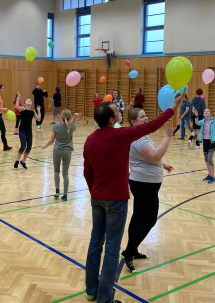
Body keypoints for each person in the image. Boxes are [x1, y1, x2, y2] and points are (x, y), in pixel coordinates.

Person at [83, 94, 183, 303]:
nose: (120, 111)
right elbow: (153, 125)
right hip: (116, 201)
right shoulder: (121, 135)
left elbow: (87, 172)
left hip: (97, 199)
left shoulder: (91, 139)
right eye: (117, 111)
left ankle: (91, 290)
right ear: (111, 120)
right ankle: (105, 299)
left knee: (95, 243)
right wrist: (174, 105)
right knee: (111, 248)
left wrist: (95, 192)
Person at [121, 108, 175, 274]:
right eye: (142, 116)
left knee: (138, 216)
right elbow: (154, 155)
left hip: (144, 181)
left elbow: (150, 156)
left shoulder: (140, 135)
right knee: (149, 219)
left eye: (146, 115)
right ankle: (129, 252)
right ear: (133, 121)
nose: (146, 118)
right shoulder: (138, 138)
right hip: (144, 183)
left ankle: (133, 249)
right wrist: (168, 136)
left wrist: (163, 164)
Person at [42, 109, 80, 201]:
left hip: (57, 151)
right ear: (69, 117)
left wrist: (45, 146)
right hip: (67, 152)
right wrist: (74, 116)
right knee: (65, 174)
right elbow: (71, 125)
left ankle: (57, 191)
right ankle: (65, 195)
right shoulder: (72, 127)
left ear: (62, 117)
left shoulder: (56, 127)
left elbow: (51, 141)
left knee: (56, 171)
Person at [14, 93, 41, 169]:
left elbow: (38, 119)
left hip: (29, 131)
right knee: (23, 146)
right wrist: (18, 98)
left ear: (31, 103)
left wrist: (38, 110)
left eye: (30, 100)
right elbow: (16, 107)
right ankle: (17, 160)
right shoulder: (23, 109)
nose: (29, 101)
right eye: (27, 100)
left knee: (29, 147)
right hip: (22, 130)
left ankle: (23, 161)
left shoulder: (32, 111)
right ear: (25, 103)